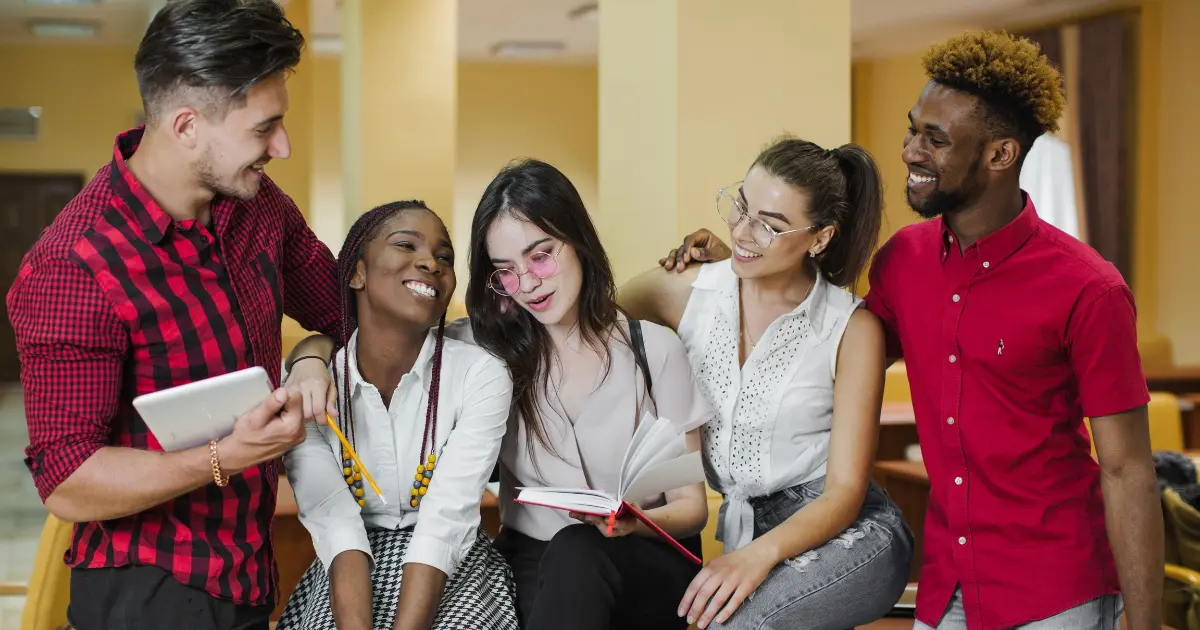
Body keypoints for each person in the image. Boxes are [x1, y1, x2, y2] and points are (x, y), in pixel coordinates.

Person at [658, 30, 1162, 630]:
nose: (910, 150)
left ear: (1001, 155)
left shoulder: (1088, 288)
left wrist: (1145, 617)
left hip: (1055, 590)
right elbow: (823, 340)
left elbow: (1128, 469)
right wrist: (742, 261)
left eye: (936, 139)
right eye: (912, 128)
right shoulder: (903, 262)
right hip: (946, 583)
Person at [5, 1, 341, 627]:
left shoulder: (258, 207)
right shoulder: (73, 265)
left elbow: (340, 310)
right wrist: (226, 456)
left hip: (249, 568)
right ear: (186, 126)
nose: (283, 147)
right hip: (149, 592)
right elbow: (69, 479)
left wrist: (313, 352)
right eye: (263, 128)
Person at [619, 136, 913, 630]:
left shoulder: (850, 329)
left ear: (820, 238)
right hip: (749, 528)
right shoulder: (684, 291)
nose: (741, 232)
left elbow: (843, 491)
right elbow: (584, 332)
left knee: (738, 625)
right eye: (741, 208)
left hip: (853, 533)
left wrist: (755, 556)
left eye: (769, 226)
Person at [462, 159, 714, 630]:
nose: (529, 284)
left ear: (577, 241)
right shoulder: (488, 354)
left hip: (644, 563)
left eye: (541, 256)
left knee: (578, 549)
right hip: (535, 569)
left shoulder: (654, 351)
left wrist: (635, 521)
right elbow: (376, 330)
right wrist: (312, 355)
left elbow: (691, 507)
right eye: (507, 272)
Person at [277, 201, 519, 630]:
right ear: (357, 273)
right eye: (406, 244)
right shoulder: (308, 387)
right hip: (347, 565)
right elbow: (334, 521)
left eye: (445, 257)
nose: (430, 262)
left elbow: (446, 520)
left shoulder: (480, 375)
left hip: (451, 561)